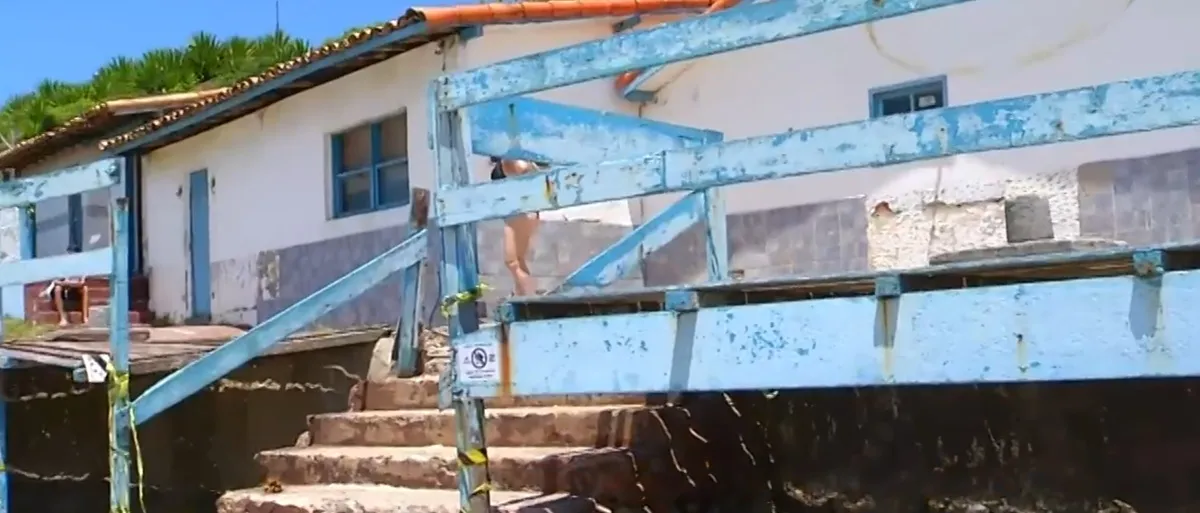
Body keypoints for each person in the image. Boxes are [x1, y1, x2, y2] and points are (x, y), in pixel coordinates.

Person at [490, 157, 541, 296]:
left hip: (520, 211)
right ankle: (523, 295)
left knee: (512, 262)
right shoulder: (521, 159)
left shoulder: (510, 158)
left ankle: (530, 296)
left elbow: (524, 170)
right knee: (517, 261)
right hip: (525, 211)